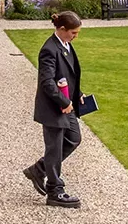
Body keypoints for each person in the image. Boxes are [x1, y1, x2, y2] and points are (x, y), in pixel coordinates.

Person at [23, 11, 84, 209]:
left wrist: (78, 94)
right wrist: (63, 101)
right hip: (53, 107)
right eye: (73, 33)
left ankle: (39, 169)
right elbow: (47, 82)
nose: (76, 36)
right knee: (54, 148)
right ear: (62, 29)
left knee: (74, 138)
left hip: (67, 105)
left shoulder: (66, 45)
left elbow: (69, 74)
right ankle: (55, 190)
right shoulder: (49, 49)